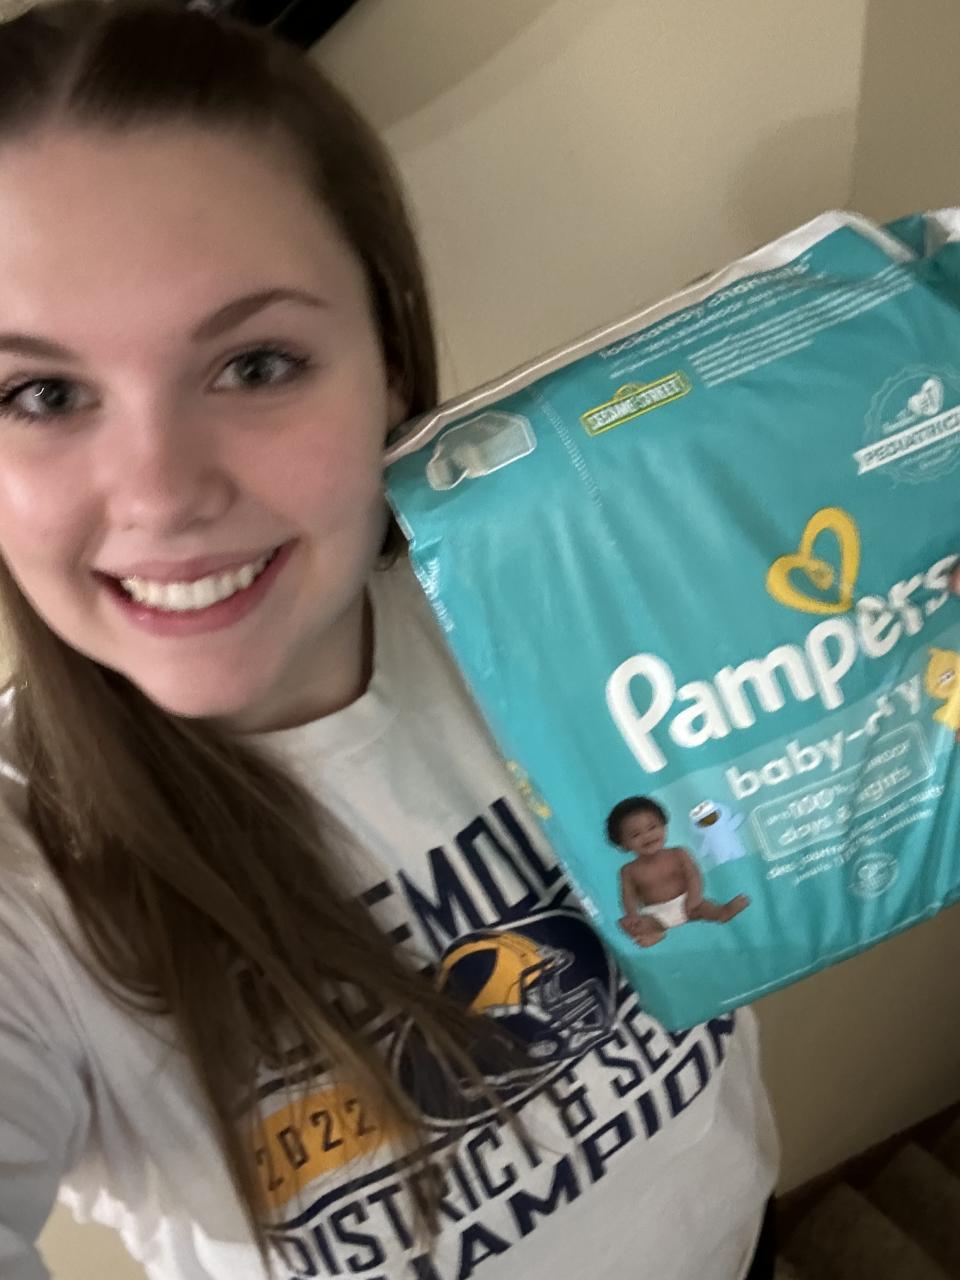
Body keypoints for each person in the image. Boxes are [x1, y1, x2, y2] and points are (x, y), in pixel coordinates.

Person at [0, 3, 781, 1278]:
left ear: (390, 362)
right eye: (40, 393)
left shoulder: (589, 587)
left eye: (256, 364)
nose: (161, 493)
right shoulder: (26, 886)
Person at [608, 797, 750, 948]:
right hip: (654, 914)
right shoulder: (629, 870)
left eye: (652, 827)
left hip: (687, 902)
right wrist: (632, 915)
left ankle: (722, 913)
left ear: (664, 826)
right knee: (626, 923)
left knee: (705, 908)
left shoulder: (678, 853)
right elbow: (628, 896)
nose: (647, 836)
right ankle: (655, 933)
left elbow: (694, 876)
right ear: (623, 844)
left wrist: (694, 898)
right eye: (636, 835)